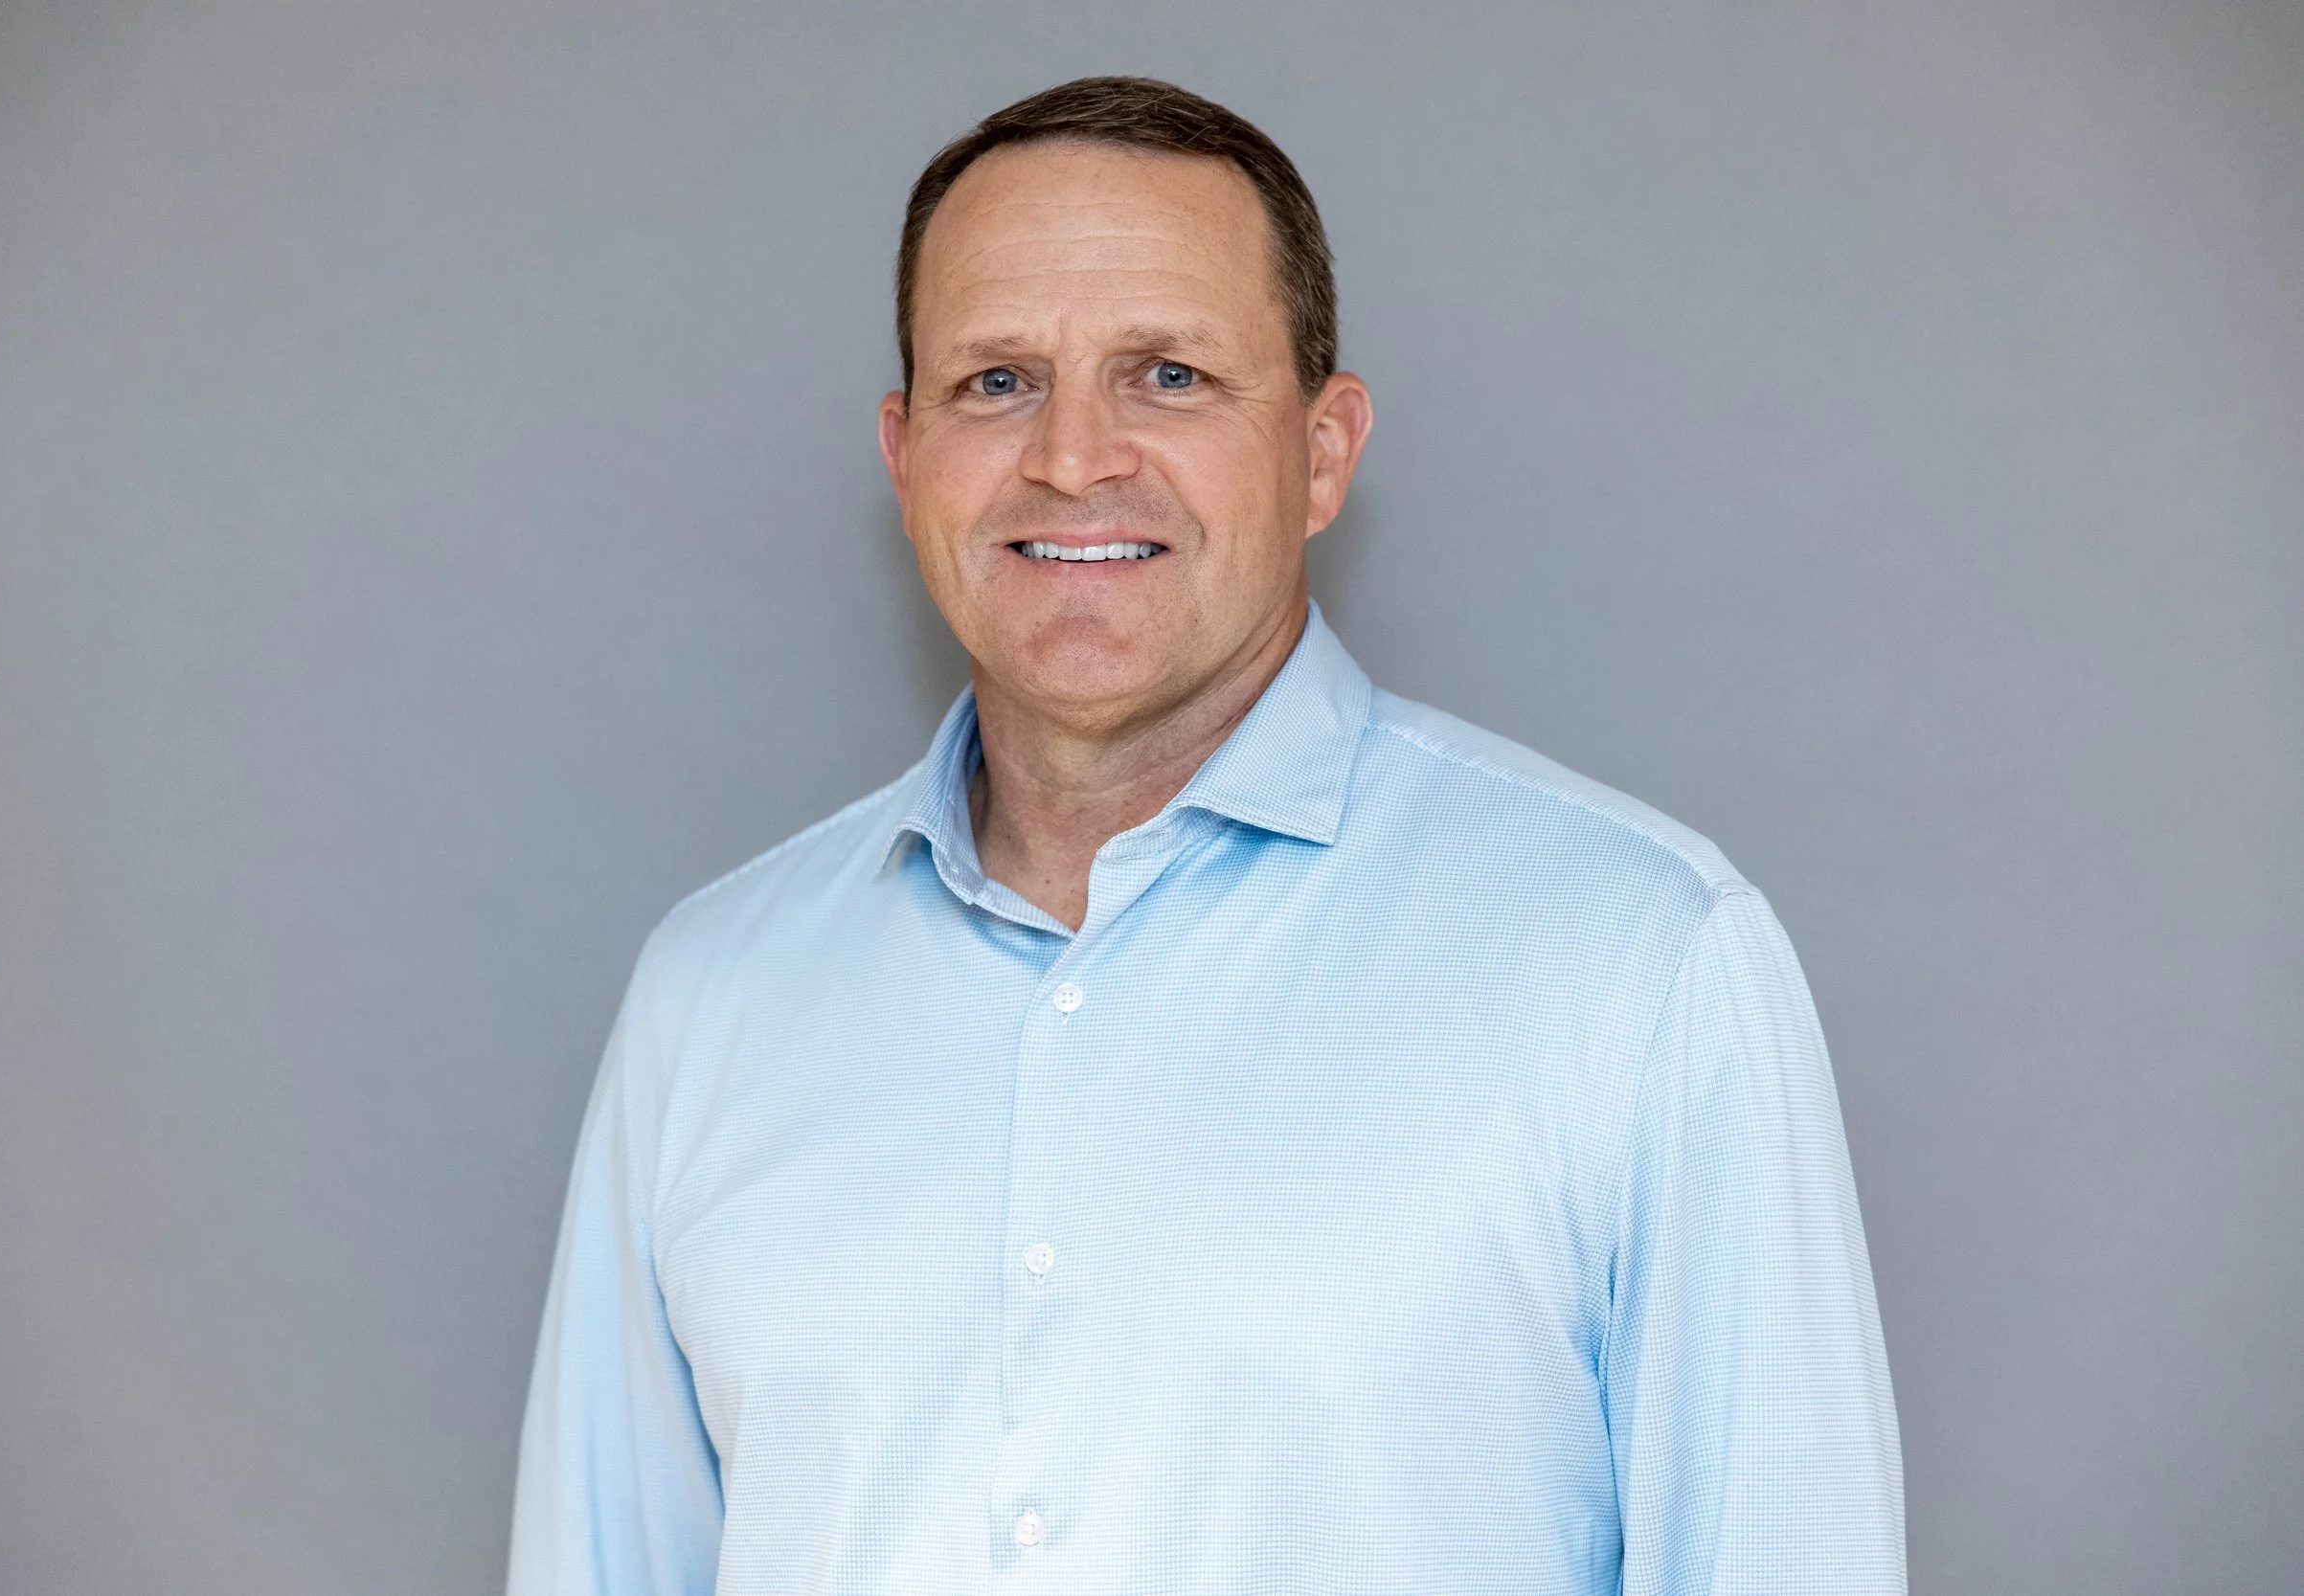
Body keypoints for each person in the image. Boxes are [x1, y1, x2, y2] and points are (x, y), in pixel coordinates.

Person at [507, 76, 1904, 1596]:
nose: (1073, 456)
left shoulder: (1642, 964)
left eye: (1167, 373)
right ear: (905, 457)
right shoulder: (710, 995)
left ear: (1322, 449)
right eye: (996, 381)